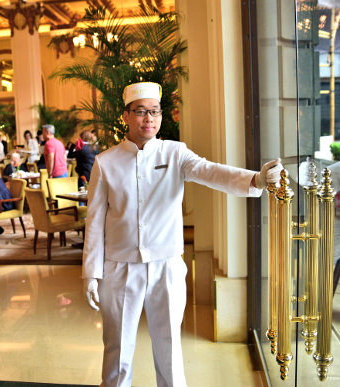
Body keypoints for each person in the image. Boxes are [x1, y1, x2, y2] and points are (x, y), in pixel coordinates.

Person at [82, 81, 283, 387]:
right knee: (118, 349)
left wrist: (255, 179)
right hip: (120, 268)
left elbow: (210, 171)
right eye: (140, 111)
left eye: (155, 111)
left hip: (167, 266)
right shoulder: (105, 162)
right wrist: (91, 274)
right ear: (125, 116)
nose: (149, 118)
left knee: (170, 346)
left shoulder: (175, 153)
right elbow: (95, 221)